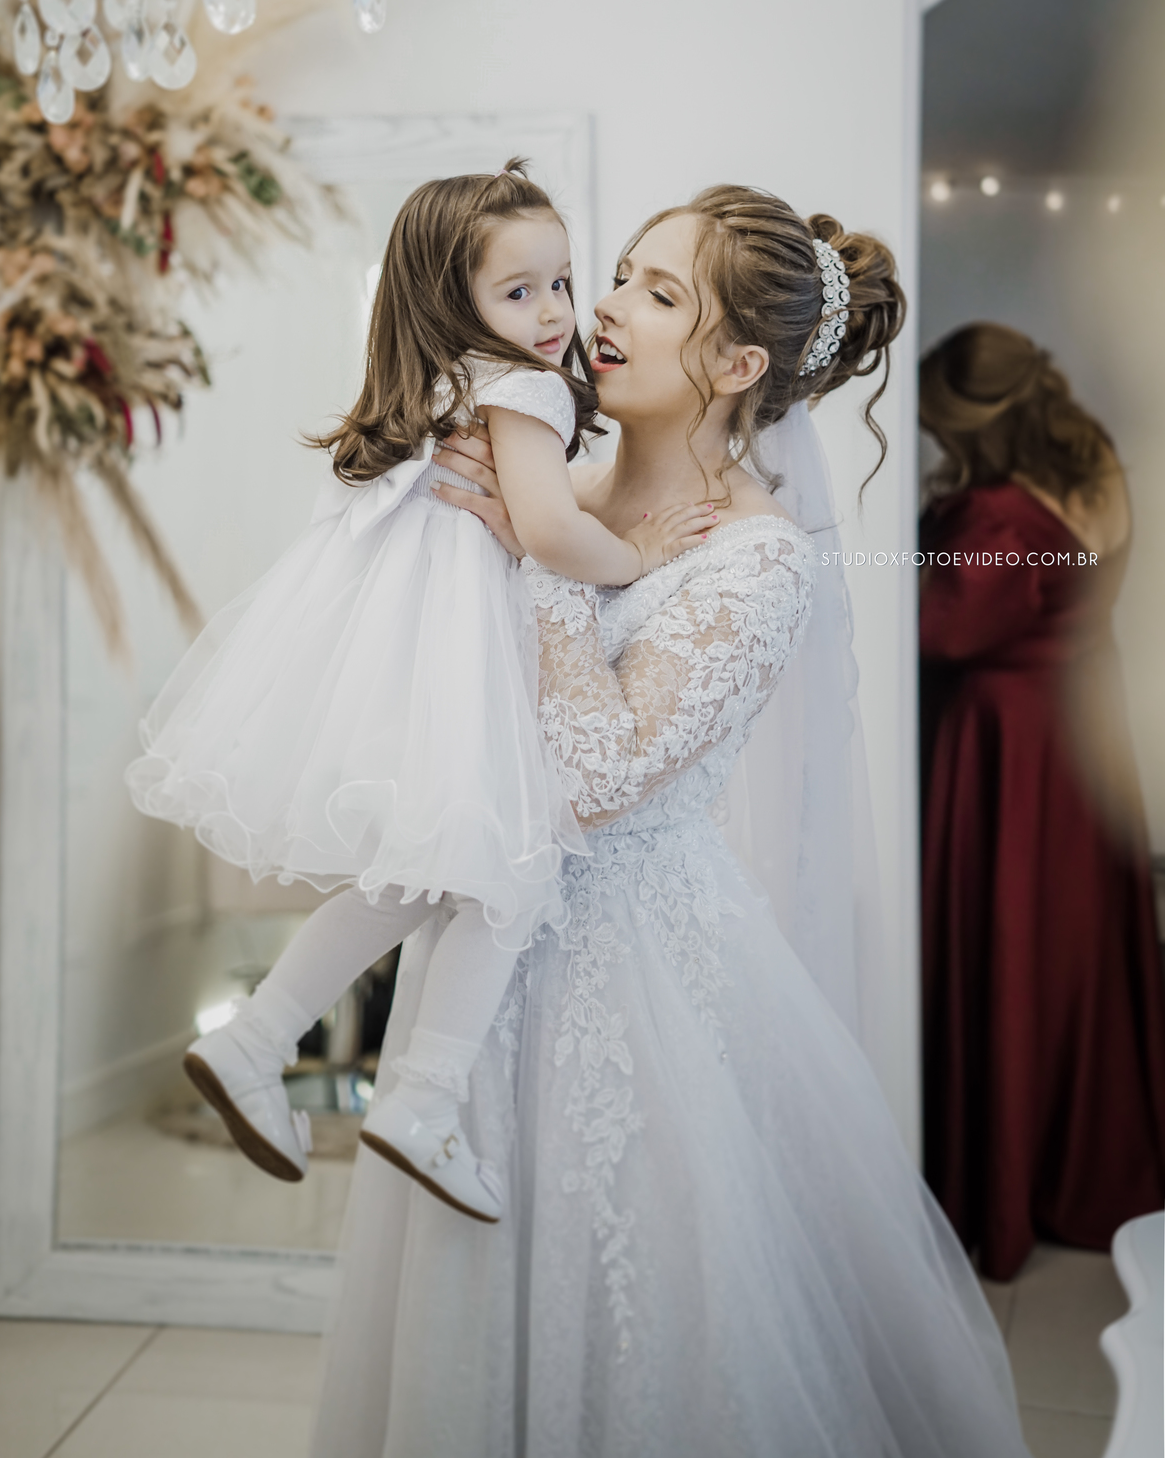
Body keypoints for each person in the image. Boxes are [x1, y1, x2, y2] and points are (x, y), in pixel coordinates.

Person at [311, 189, 1032, 1458]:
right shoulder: (551, 483)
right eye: (620, 275)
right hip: (478, 955)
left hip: (630, 981)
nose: (602, 309)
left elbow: (597, 775)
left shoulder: (758, 561)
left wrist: (538, 559)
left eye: (658, 293)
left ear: (739, 365)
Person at [127, 161, 712, 1222]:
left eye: (562, 281)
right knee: (512, 871)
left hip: (409, 659)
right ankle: (424, 1098)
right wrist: (639, 555)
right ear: (451, 301)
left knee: (414, 874)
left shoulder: (441, 384)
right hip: (465, 661)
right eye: (519, 291)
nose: (557, 312)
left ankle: (258, 1036)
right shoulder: (527, 388)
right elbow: (548, 529)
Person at [919, 322, 1165, 1282]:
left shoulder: (997, 518)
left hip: (1011, 748)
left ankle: (1011, 1175)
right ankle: (1086, 1156)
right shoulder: (1096, 468)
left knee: (1014, 946)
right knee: (1079, 951)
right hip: (1085, 735)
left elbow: (940, 631)